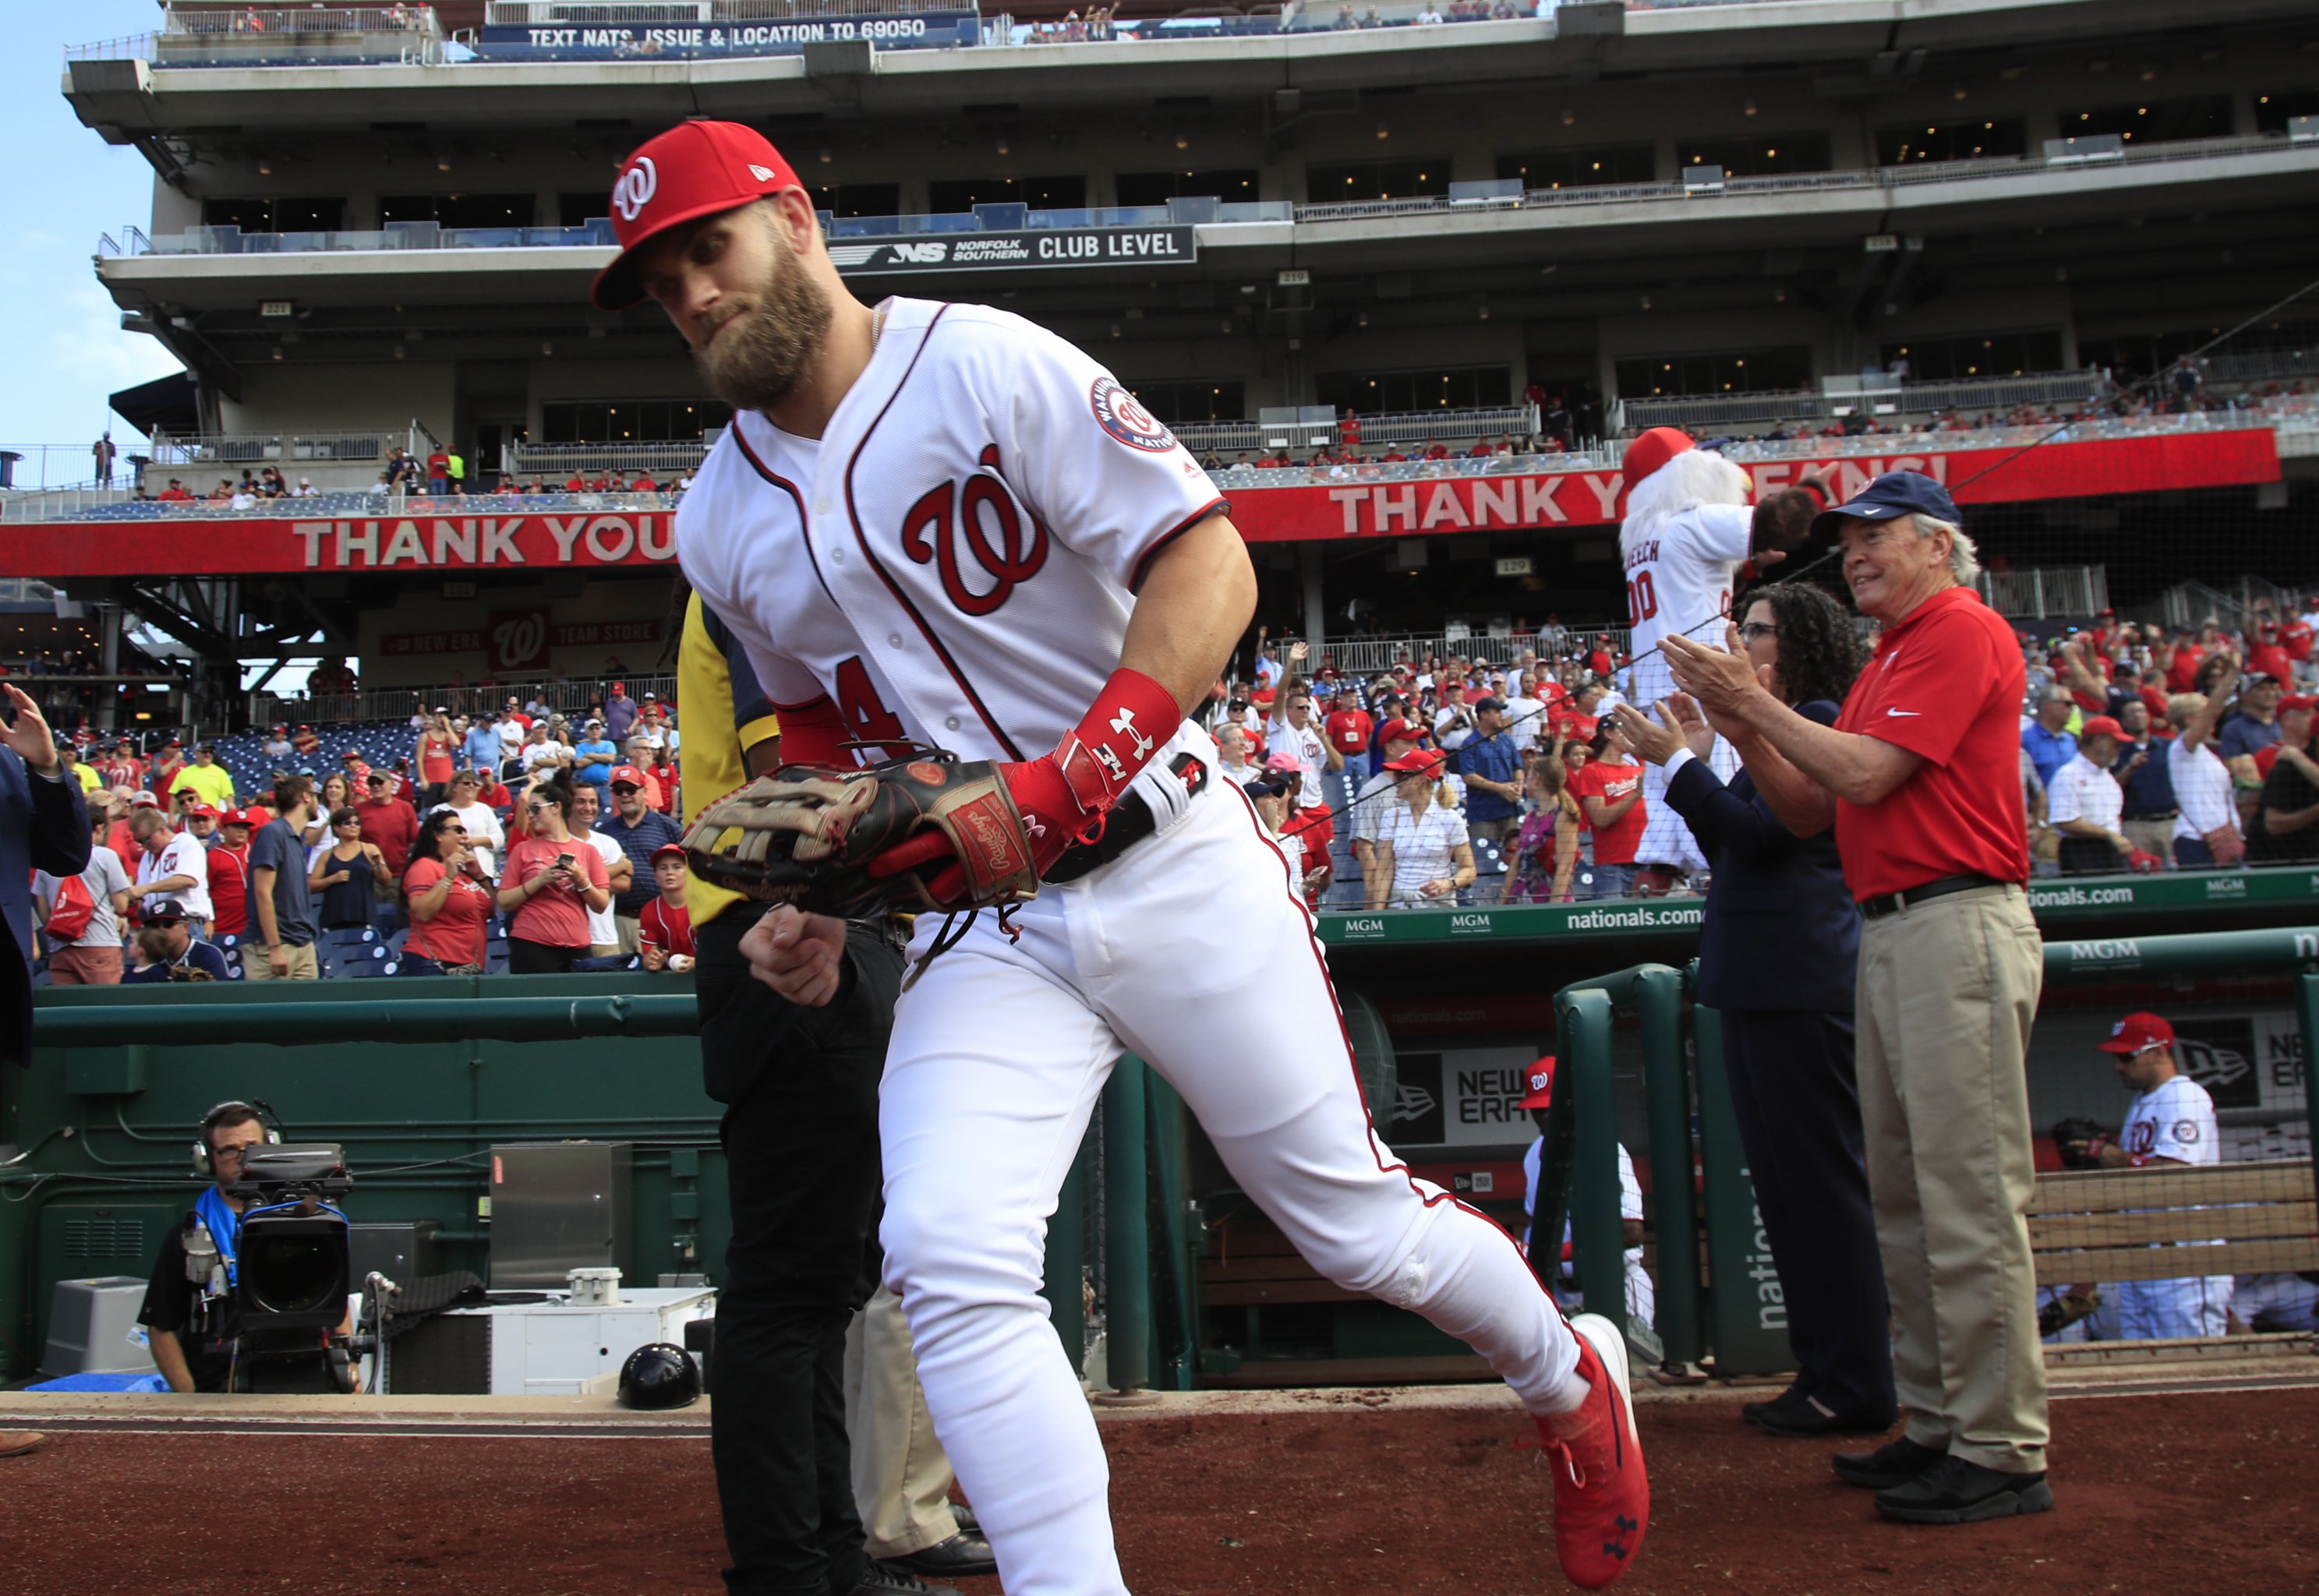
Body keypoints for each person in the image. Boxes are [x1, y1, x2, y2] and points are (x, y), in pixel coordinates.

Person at [611, 118, 1643, 1596]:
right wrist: (815, 897)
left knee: (1354, 1225)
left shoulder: (982, 361)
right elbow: (816, 740)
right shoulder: (717, 517)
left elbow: (1210, 563)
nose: (692, 296)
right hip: (988, 929)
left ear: (795, 218)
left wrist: (1060, 781)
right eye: (658, 282)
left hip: (1170, 856)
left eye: (709, 248)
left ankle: (1563, 1378)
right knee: (951, 1256)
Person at [1663, 469, 2051, 1525]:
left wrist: (1741, 701)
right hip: (1887, 932)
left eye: (1879, 536)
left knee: (1965, 1203)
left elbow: (1867, 777)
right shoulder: (1891, 653)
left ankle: (2000, 1447)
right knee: (1903, 1201)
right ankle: (1931, 1422)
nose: (1857, 552)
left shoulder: (1958, 631)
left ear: (1937, 544)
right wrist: (1736, 716)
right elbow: (1809, 800)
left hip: (1953, 921)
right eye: (1849, 539)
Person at [676, 588, 924, 1596]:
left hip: (829, 930)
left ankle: (829, 1557)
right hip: (783, 931)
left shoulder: (816, 549)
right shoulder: (758, 564)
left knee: (824, 1284)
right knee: (789, 1288)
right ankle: (789, 1570)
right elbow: (798, 793)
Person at [1614, 581, 1894, 1438]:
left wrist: (1680, 761)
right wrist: (1700, 754)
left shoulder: (1815, 713)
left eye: (1759, 630)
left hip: (1799, 977)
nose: (1741, 640)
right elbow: (1730, 841)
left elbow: (1773, 834)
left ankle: (1856, 1378)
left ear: (1798, 641)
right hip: (1758, 975)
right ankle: (1823, 1369)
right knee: (1784, 1191)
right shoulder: (1765, 728)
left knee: (1820, 1191)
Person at [1616, 429, 1825, 892]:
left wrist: (1749, 567)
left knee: (1667, 777)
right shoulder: (1691, 518)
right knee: (1729, 769)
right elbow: (1777, 523)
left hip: (1653, 672)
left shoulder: (1642, 536)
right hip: (1703, 671)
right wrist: (1813, 492)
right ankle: (1723, 869)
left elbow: (1697, 583)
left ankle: (1659, 871)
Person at [137, 1102, 352, 1391]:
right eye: (229, 1150)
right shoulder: (188, 1234)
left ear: (270, 1147)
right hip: (218, 1390)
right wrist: (190, 1399)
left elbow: (336, 1301)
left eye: (252, 1147)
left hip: (306, 1379)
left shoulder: (309, 1223)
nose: (241, 1159)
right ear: (207, 1159)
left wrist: (348, 1368)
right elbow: (160, 1327)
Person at [2051, 1013, 2232, 1339]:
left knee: (2193, 1366)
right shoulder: (2142, 1101)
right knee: (2145, 1364)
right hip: (2143, 1257)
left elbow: (2176, 1173)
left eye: (2127, 1056)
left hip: (2183, 1259)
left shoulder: (2183, 1097)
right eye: (2116, 1057)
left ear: (2159, 1053)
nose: (2119, 1065)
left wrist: (2109, 1155)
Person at [496, 779, 610, 973]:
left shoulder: (587, 851)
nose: (531, 815)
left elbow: (601, 905)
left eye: (536, 809)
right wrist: (540, 880)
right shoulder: (522, 849)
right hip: (532, 943)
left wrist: (581, 881)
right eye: (529, 811)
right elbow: (504, 902)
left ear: (556, 807)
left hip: (577, 944)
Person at [34, 807, 132, 987]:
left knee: (69, 1012)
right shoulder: (106, 856)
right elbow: (121, 906)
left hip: (60, 949)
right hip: (100, 944)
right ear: (99, 828)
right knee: (103, 1009)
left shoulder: (45, 862)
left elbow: (45, 916)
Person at [1366, 749, 1476, 907]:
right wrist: (1378, 914)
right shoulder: (1391, 817)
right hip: (1399, 906)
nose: (1394, 780)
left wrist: (1448, 883)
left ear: (1419, 779)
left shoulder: (1450, 818)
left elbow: (1469, 869)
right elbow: (1384, 870)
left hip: (1438, 906)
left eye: (1400, 775)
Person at [398, 810, 497, 975]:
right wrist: (448, 877)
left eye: (465, 831)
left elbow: (490, 912)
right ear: (438, 836)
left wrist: (480, 877)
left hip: (468, 966)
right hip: (434, 963)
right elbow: (422, 912)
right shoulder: (424, 867)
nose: (464, 836)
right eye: (458, 830)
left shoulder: (465, 873)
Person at [2046, 715, 2146, 874]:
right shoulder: (2068, 775)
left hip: (2112, 850)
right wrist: (2109, 835)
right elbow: (2064, 821)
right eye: (2116, 744)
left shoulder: (2108, 778)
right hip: (2082, 851)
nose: (2119, 750)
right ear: (2099, 741)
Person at [599, 765, 684, 953]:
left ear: (644, 791)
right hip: (617, 919)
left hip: (660, 918)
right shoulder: (605, 832)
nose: (625, 795)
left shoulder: (667, 826)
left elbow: (690, 866)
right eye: (619, 790)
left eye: (631, 789)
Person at [2168, 662, 2244, 869]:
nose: (2212, 722)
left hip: (2223, 838)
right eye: (2205, 715)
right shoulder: (2181, 748)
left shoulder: (2208, 754)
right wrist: (2232, 674)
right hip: (2195, 839)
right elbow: (2214, 710)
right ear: (2190, 719)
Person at [246, 775, 322, 981]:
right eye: (317, 795)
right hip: (274, 946)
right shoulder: (273, 832)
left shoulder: (296, 839)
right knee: (270, 1012)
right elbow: (262, 892)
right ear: (306, 797)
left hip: (302, 944)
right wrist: (274, 946)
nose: (319, 802)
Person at [1568, 721, 1646, 899]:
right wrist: (1636, 793)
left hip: (1645, 862)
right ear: (1609, 733)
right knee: (1614, 923)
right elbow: (1600, 818)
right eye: (1625, 730)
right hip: (1612, 865)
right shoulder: (1592, 771)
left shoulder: (1639, 770)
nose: (1631, 735)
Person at [2248, 694, 2319, 863]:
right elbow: (2273, 824)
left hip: (2307, 857)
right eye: (2307, 712)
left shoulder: (2301, 759)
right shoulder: (2287, 766)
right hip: (2275, 860)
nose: (2313, 716)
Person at [1502, 753, 1580, 904]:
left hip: (1549, 898)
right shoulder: (1531, 816)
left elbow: (1565, 868)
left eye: (1529, 775)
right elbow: (1517, 862)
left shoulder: (1563, 816)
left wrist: (1552, 911)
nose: (1526, 780)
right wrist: (1503, 900)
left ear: (1538, 781)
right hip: (1523, 898)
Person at [566, 783, 633, 958]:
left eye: (593, 802)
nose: (588, 808)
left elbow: (624, 884)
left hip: (605, 937)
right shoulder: (560, 842)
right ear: (568, 805)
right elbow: (566, 881)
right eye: (580, 801)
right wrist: (619, 867)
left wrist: (581, 880)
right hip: (569, 938)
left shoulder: (608, 843)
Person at [130, 806, 214, 938]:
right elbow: (142, 897)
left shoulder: (187, 842)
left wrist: (145, 889)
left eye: (146, 839)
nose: (144, 845)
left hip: (185, 925)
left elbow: (187, 879)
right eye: (139, 841)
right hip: (156, 928)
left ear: (161, 830)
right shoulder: (147, 856)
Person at [1454, 696, 1525, 847]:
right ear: (1484, 715)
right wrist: (1501, 788)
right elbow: (1469, 777)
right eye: (1497, 711)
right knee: (1483, 861)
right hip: (1482, 815)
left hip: (1508, 811)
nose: (1501, 715)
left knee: (1514, 858)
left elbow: (1518, 767)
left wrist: (1518, 785)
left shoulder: (1507, 740)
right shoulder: (1469, 744)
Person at [308, 807, 391, 931]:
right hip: (333, 917)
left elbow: (386, 881)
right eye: (347, 823)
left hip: (363, 916)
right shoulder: (326, 855)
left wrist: (378, 864)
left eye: (357, 823)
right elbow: (310, 885)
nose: (353, 826)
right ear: (336, 828)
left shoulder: (370, 849)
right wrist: (332, 879)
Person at [125, 897, 233, 983]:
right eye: (154, 926)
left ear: (186, 927)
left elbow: (220, 996)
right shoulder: (153, 959)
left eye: (168, 924)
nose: (161, 930)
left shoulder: (208, 955)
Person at [428, 769, 507, 877]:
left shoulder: (484, 809)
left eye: (474, 783)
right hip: (449, 871)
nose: (471, 786)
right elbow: (431, 840)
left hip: (483, 870)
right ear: (454, 787)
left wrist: (474, 841)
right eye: (466, 783)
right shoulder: (439, 810)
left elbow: (499, 838)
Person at [636, 843, 696, 971]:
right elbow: (648, 958)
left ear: (689, 873)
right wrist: (653, 963)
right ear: (655, 877)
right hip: (669, 976)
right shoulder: (649, 911)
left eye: (677, 867)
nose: (669, 872)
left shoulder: (705, 905)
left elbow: (720, 953)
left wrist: (698, 962)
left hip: (707, 972)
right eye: (663, 868)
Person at [207, 807, 255, 943]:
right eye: (236, 826)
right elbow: (204, 892)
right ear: (222, 829)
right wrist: (208, 920)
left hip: (253, 928)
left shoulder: (256, 850)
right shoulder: (213, 856)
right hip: (224, 928)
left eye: (245, 827)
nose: (241, 831)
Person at [2019, 687, 2077, 793]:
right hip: (2039, 807)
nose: (2071, 709)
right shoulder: (2025, 740)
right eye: (2068, 704)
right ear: (2049, 705)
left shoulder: (2070, 740)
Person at [416, 710, 458, 808]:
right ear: (434, 717)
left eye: (444, 716)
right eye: (439, 716)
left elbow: (456, 743)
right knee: (431, 809)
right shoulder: (425, 737)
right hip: (431, 780)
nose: (441, 719)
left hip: (446, 780)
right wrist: (423, 779)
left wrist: (447, 726)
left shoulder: (447, 736)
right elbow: (419, 758)